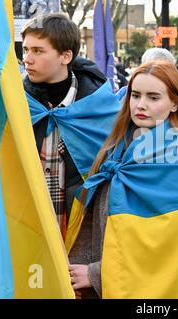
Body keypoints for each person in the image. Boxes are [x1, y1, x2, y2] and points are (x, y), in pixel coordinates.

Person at [66, 61, 178, 299]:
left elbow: (164, 245)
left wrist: (95, 273)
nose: (141, 105)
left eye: (153, 98)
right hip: (101, 283)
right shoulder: (116, 147)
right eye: (136, 95)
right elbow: (95, 217)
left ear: (174, 103)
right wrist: (78, 269)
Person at [21, 13, 119, 238]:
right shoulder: (15, 102)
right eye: (26, 49)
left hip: (80, 228)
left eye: (38, 51)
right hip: (27, 226)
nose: (27, 58)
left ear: (65, 56)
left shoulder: (98, 105)